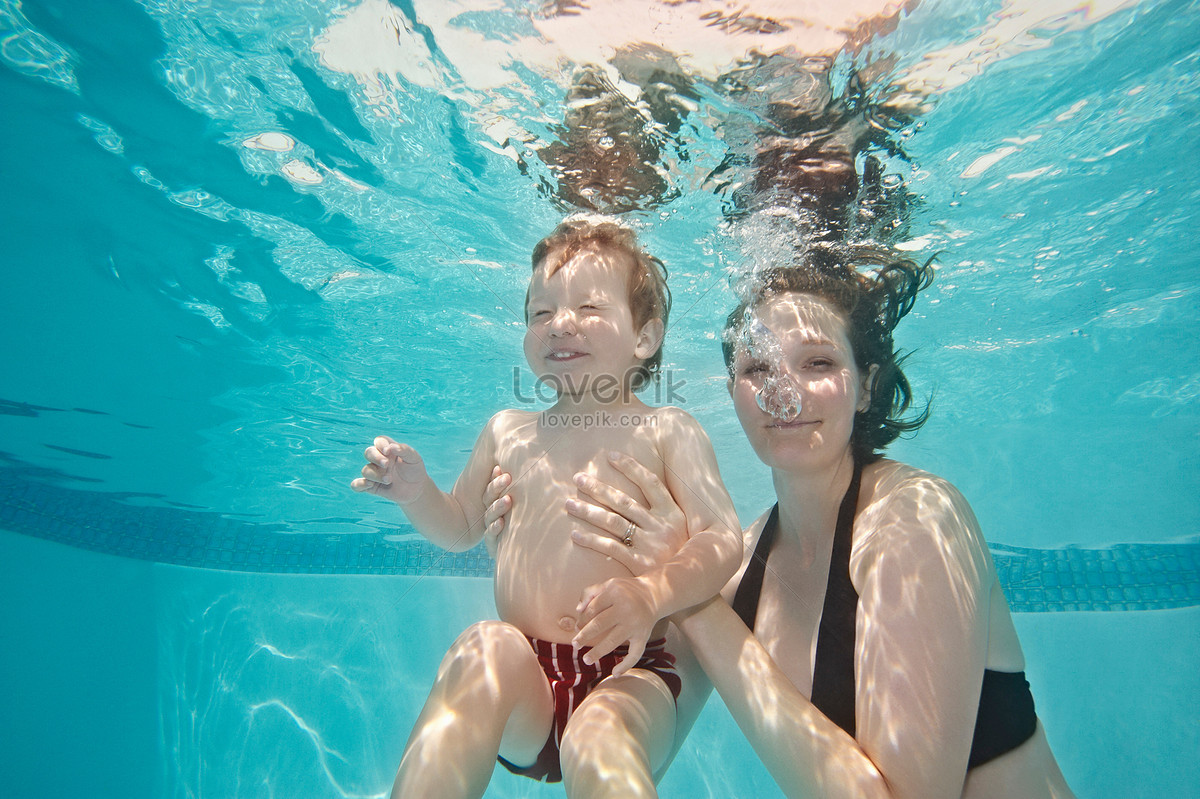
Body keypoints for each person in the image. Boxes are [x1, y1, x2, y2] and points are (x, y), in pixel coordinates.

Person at [482, 245, 1077, 798]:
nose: (782, 394)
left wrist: (696, 600)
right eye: (758, 370)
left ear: (867, 386)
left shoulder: (913, 520)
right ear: (733, 392)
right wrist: (535, 545)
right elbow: (618, 740)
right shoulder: (740, 570)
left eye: (816, 362)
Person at [352, 216, 742, 798]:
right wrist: (418, 495)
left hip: (631, 672)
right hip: (528, 677)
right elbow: (461, 527)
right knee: (480, 648)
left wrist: (652, 594)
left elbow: (721, 540)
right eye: (540, 313)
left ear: (644, 337)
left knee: (600, 742)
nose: (560, 323)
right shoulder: (507, 432)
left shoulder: (668, 431)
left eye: (588, 309)